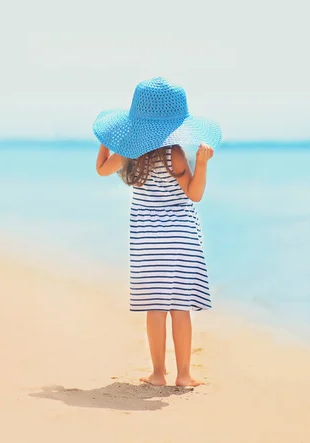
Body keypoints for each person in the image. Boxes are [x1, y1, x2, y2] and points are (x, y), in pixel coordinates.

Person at [93, 77, 221, 387]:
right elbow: (194, 193)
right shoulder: (174, 154)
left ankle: (158, 374)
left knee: (155, 306)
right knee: (179, 306)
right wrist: (201, 164)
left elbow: (100, 168)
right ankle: (185, 375)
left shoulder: (130, 156)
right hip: (180, 237)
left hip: (147, 240)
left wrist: (111, 140)